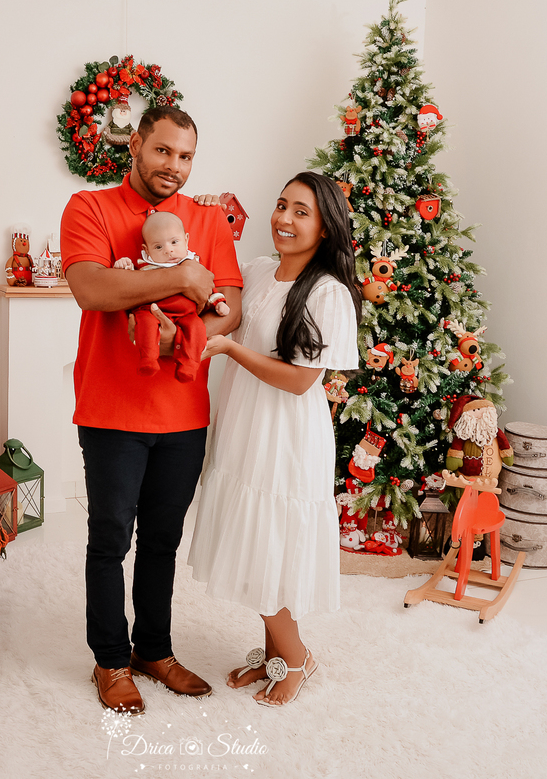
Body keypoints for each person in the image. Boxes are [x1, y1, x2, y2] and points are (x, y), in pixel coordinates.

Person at [60, 106, 243, 715]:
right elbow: (92, 289)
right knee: (109, 538)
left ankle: (153, 650)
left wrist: (189, 324)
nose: (174, 167)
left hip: (186, 410)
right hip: (112, 408)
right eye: (163, 151)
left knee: (162, 540)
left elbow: (229, 307)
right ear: (136, 145)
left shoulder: (209, 220)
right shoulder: (89, 208)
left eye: (186, 156)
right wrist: (183, 279)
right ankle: (110, 660)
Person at [188, 171, 361, 707]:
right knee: (252, 538)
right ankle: (272, 657)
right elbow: (218, 301)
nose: (284, 219)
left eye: (301, 211)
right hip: (246, 424)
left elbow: (302, 378)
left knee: (270, 544)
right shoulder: (260, 270)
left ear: (326, 228)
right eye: (282, 205)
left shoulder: (328, 293)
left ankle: (299, 656)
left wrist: (233, 351)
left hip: (286, 434)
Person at [114, 210, 230, 381]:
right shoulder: (146, 265)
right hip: (151, 310)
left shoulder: (193, 265)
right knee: (144, 323)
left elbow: (208, 288)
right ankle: (148, 359)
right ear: (146, 249)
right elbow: (131, 282)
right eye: (158, 247)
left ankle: (190, 364)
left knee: (197, 329)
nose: (169, 251)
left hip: (186, 314)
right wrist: (123, 265)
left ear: (186, 240)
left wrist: (218, 303)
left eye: (174, 242)